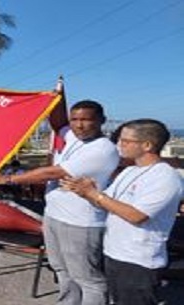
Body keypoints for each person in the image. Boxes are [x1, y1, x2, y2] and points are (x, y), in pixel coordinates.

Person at [0, 100, 120, 305]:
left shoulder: (103, 149)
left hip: (80, 223)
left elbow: (52, 173)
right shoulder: (74, 136)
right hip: (55, 216)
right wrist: (54, 96)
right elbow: (58, 123)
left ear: (101, 120)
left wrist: (6, 179)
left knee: (87, 278)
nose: (79, 125)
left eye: (86, 119)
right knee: (61, 269)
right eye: (74, 119)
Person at [61, 119, 183, 305]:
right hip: (114, 251)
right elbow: (106, 202)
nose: (119, 145)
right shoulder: (129, 171)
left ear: (147, 145)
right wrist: (86, 193)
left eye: (126, 141)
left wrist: (96, 195)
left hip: (138, 259)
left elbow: (137, 216)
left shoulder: (165, 176)